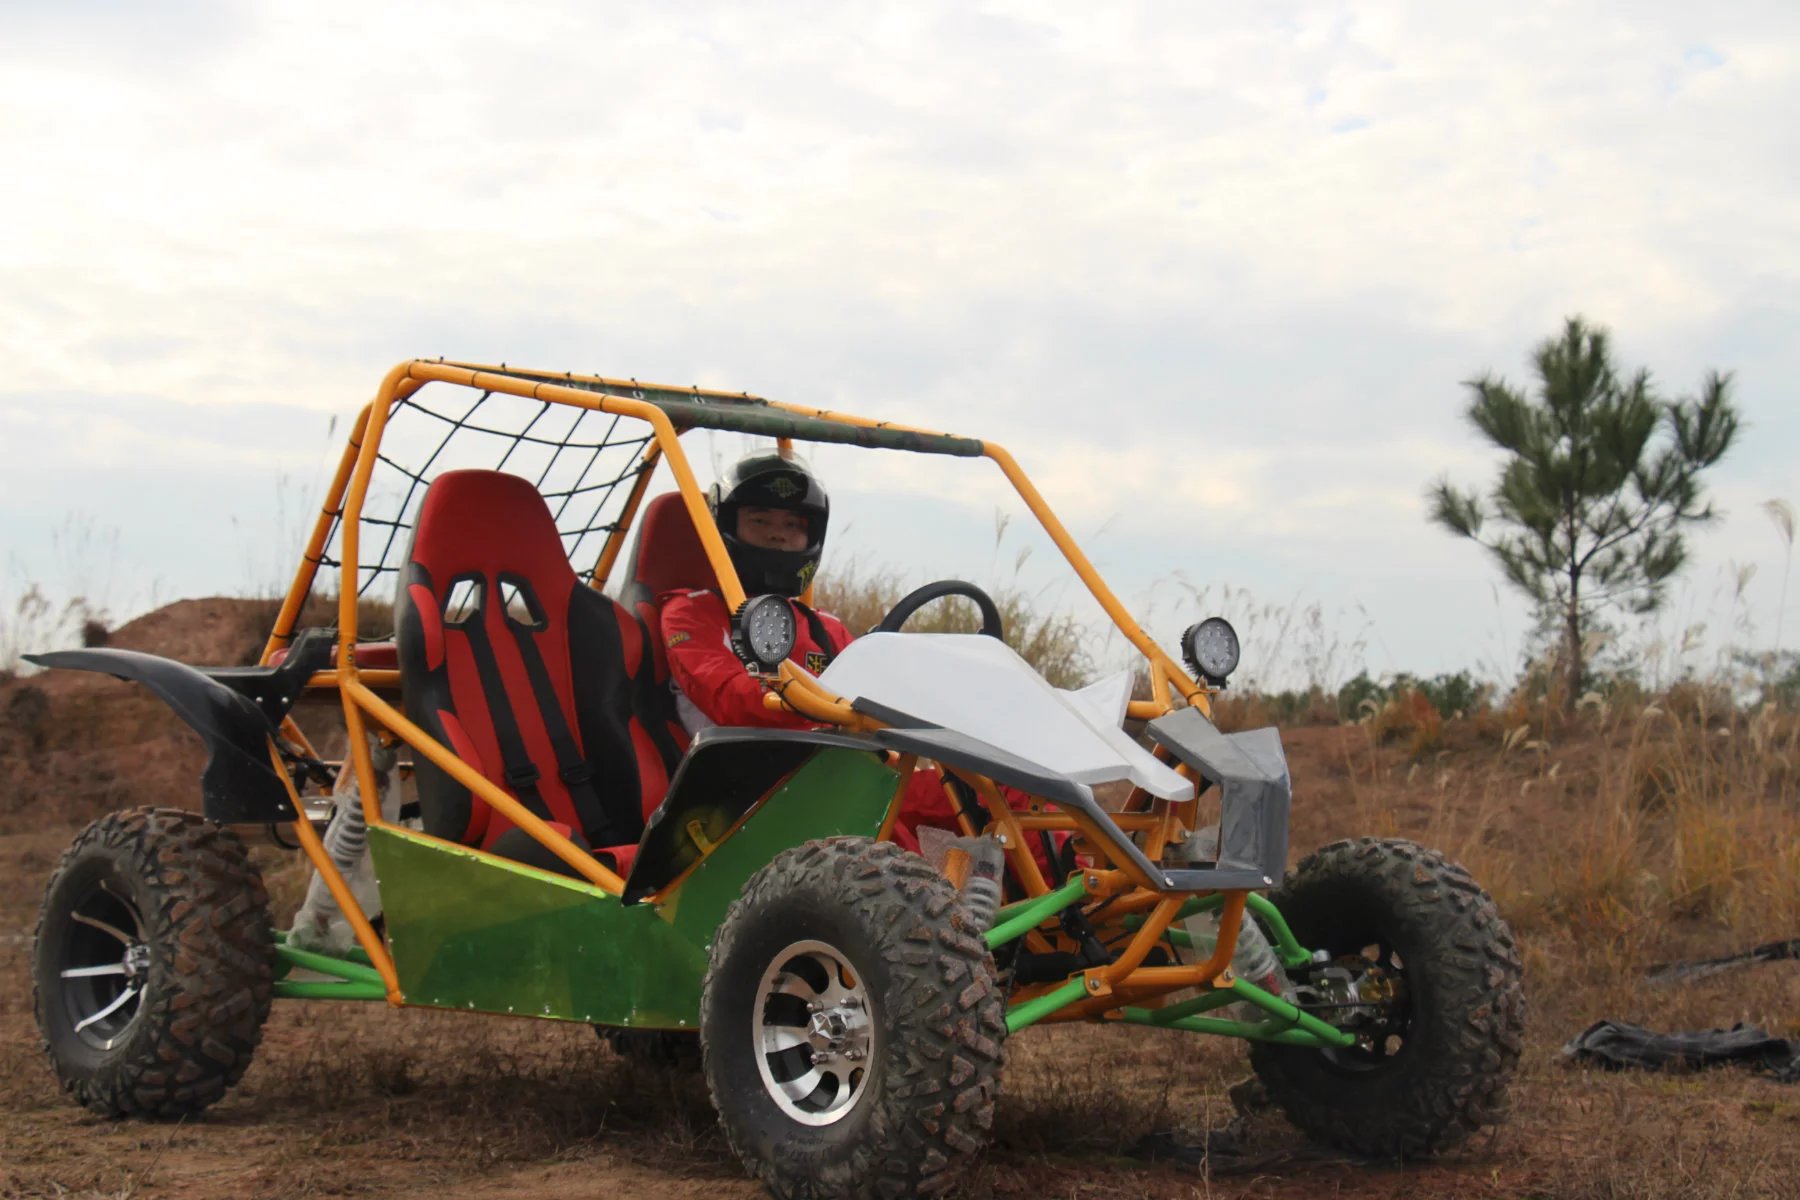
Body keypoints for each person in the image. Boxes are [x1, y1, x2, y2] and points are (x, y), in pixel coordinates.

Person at [657, 450, 1053, 871]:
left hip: (841, 777)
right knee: (901, 844)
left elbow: (886, 690)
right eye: (760, 521)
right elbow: (731, 699)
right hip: (751, 794)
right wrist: (830, 706)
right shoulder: (691, 613)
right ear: (727, 527)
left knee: (1009, 788)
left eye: (792, 525)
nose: (778, 536)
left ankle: (1076, 911)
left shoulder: (823, 626)